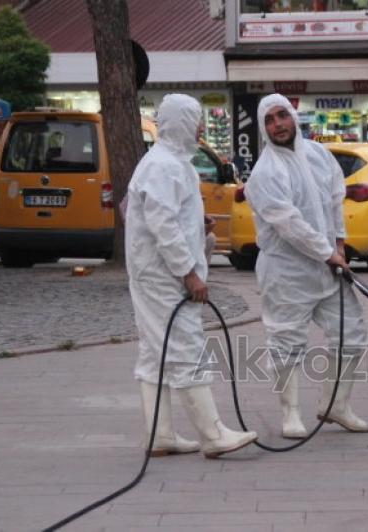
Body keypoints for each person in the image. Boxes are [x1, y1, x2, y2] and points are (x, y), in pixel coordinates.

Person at [125, 94, 257, 459]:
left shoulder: (170, 163)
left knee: (157, 351)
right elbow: (162, 224)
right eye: (196, 120)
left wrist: (197, 225)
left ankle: (160, 434)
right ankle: (212, 435)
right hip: (163, 275)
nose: (201, 127)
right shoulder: (163, 166)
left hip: (157, 271)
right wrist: (188, 273)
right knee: (186, 347)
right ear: (180, 123)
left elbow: (165, 215)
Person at [245, 93, 368, 440]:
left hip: (328, 267)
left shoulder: (319, 155)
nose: (277, 125)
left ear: (293, 116)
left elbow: (334, 204)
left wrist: (339, 247)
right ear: (262, 127)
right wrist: (326, 253)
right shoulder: (264, 173)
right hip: (286, 271)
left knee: (352, 336)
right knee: (286, 341)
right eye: (269, 120)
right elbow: (289, 224)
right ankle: (290, 413)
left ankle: (337, 404)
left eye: (281, 115)